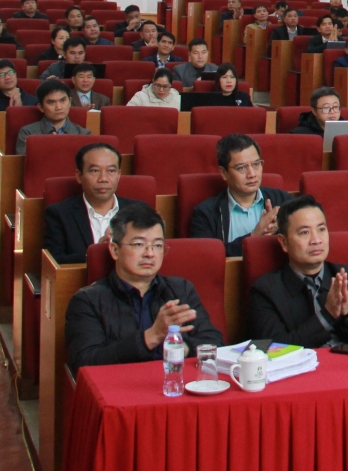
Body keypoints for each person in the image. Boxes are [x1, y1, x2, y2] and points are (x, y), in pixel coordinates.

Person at [65, 204, 223, 372]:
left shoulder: (181, 290)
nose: (150, 253)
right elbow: (84, 362)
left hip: (176, 382)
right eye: (139, 244)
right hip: (122, 386)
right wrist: (150, 337)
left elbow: (215, 343)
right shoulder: (88, 301)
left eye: (158, 245)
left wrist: (181, 349)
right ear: (115, 250)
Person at [247, 195, 348, 348]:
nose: (316, 240)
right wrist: (327, 316)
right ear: (284, 242)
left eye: (321, 230)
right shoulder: (265, 291)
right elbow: (273, 349)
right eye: (304, 232)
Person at [44, 142, 149, 264]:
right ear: (79, 176)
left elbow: (151, 251)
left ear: (119, 175)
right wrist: (96, 253)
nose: (103, 179)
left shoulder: (139, 211)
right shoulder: (59, 213)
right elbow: (54, 261)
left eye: (111, 171)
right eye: (95, 171)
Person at [188, 133, 292, 256]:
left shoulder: (284, 201)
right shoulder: (205, 213)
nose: (252, 174)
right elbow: (206, 256)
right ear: (223, 173)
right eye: (241, 167)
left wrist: (285, 228)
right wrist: (254, 235)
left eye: (256, 164)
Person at [15, 81, 92, 154]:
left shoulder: (84, 134)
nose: (58, 107)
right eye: (51, 102)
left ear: (70, 102)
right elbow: (26, 161)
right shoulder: (28, 133)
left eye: (62, 100)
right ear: (41, 107)